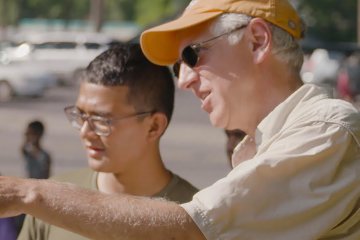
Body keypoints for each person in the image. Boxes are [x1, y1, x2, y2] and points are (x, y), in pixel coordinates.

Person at [0, 0, 359, 239]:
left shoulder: (327, 128)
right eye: (177, 66)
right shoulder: (271, 143)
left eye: (192, 54)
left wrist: (25, 193)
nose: (184, 79)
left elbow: (188, 229)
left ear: (257, 41)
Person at [17, 43, 198, 240]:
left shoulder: (198, 219)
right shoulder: (50, 201)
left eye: (101, 120)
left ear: (154, 126)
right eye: (81, 115)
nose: (86, 132)